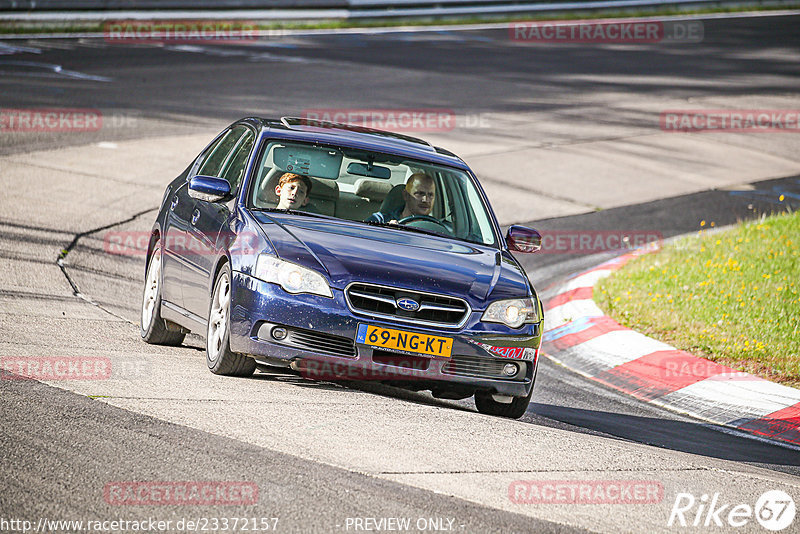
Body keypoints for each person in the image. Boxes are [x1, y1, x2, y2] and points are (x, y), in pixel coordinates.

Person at [366, 172, 435, 224]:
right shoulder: (381, 221)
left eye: (430, 195)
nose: (426, 200)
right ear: (406, 195)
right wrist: (385, 231)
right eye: (420, 193)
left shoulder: (437, 228)